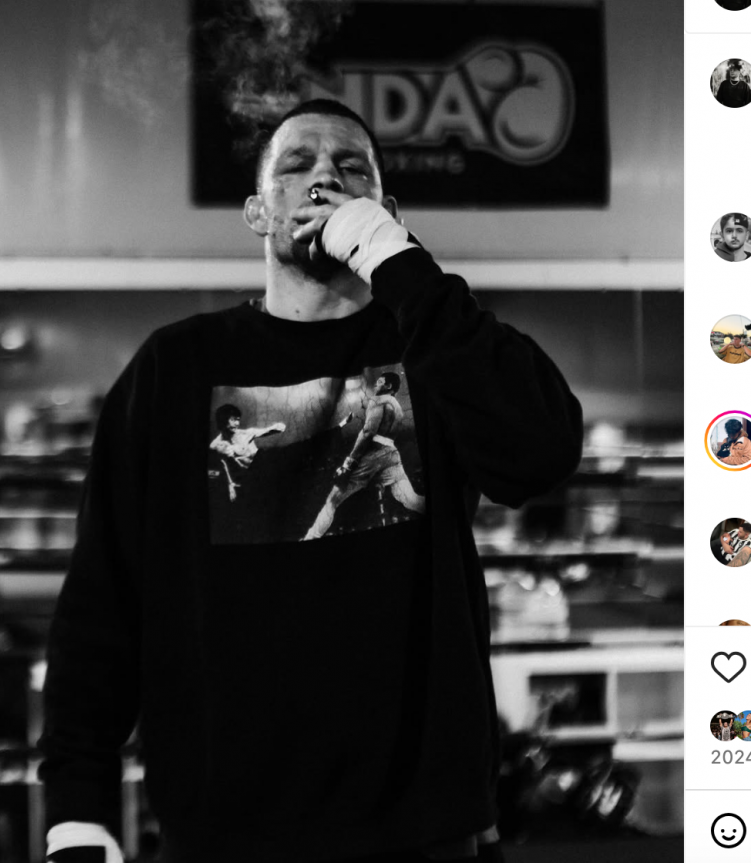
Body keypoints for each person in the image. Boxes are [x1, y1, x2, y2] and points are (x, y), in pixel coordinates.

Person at [38, 99, 583, 863]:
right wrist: (76, 807)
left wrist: (399, 264)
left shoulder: (436, 351)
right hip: (223, 833)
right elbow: (104, 594)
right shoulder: (175, 367)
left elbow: (542, 453)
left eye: (351, 167)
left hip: (422, 830)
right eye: (296, 165)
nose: (325, 174)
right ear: (258, 212)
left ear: (387, 211)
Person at [302, 372, 425, 541]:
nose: (375, 385)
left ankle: (309, 539)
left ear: (388, 386)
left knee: (333, 500)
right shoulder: (397, 407)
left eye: (379, 382)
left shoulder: (377, 401)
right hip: (392, 455)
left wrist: (349, 462)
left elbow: (368, 432)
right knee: (412, 501)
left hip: (374, 454)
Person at [208, 403, 286, 501]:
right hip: (246, 478)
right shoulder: (215, 445)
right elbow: (223, 465)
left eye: (238, 420)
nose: (237, 423)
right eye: (233, 420)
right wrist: (230, 486)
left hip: (262, 466)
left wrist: (276, 427)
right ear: (223, 419)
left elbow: (266, 431)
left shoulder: (245, 434)